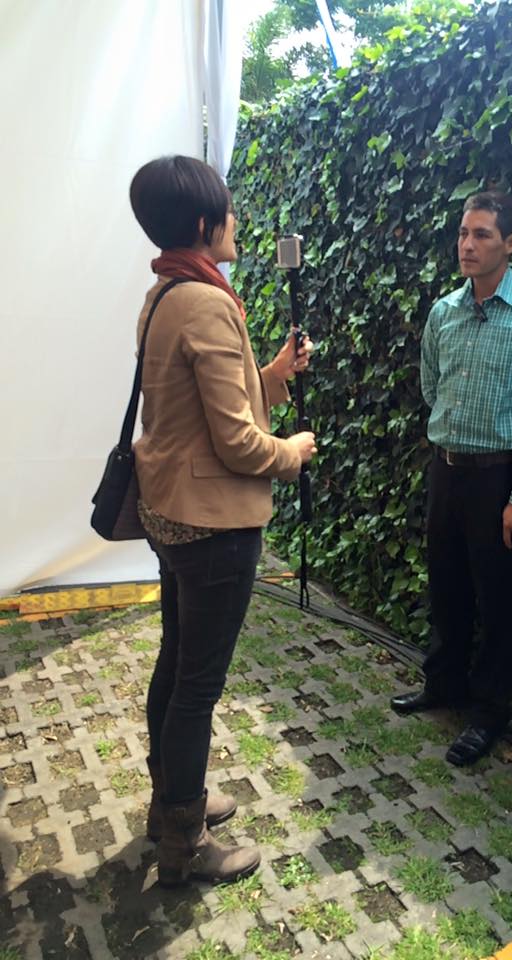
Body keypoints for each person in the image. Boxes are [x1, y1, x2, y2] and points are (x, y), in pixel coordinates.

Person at [128, 155, 317, 887]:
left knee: (177, 664)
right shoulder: (207, 302)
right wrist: (292, 452)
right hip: (213, 528)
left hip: (170, 511)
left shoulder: (166, 292)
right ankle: (185, 840)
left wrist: (272, 377)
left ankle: (171, 802)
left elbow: (198, 410)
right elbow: (238, 443)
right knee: (197, 686)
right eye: (230, 212)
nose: (237, 222)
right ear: (207, 223)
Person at [391, 191, 512, 766]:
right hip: (446, 471)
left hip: (498, 479)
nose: (467, 245)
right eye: (464, 232)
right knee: (446, 585)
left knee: (496, 599)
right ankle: (444, 685)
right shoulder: (444, 312)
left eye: (482, 234)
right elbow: (431, 385)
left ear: (511, 244)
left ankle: (489, 712)